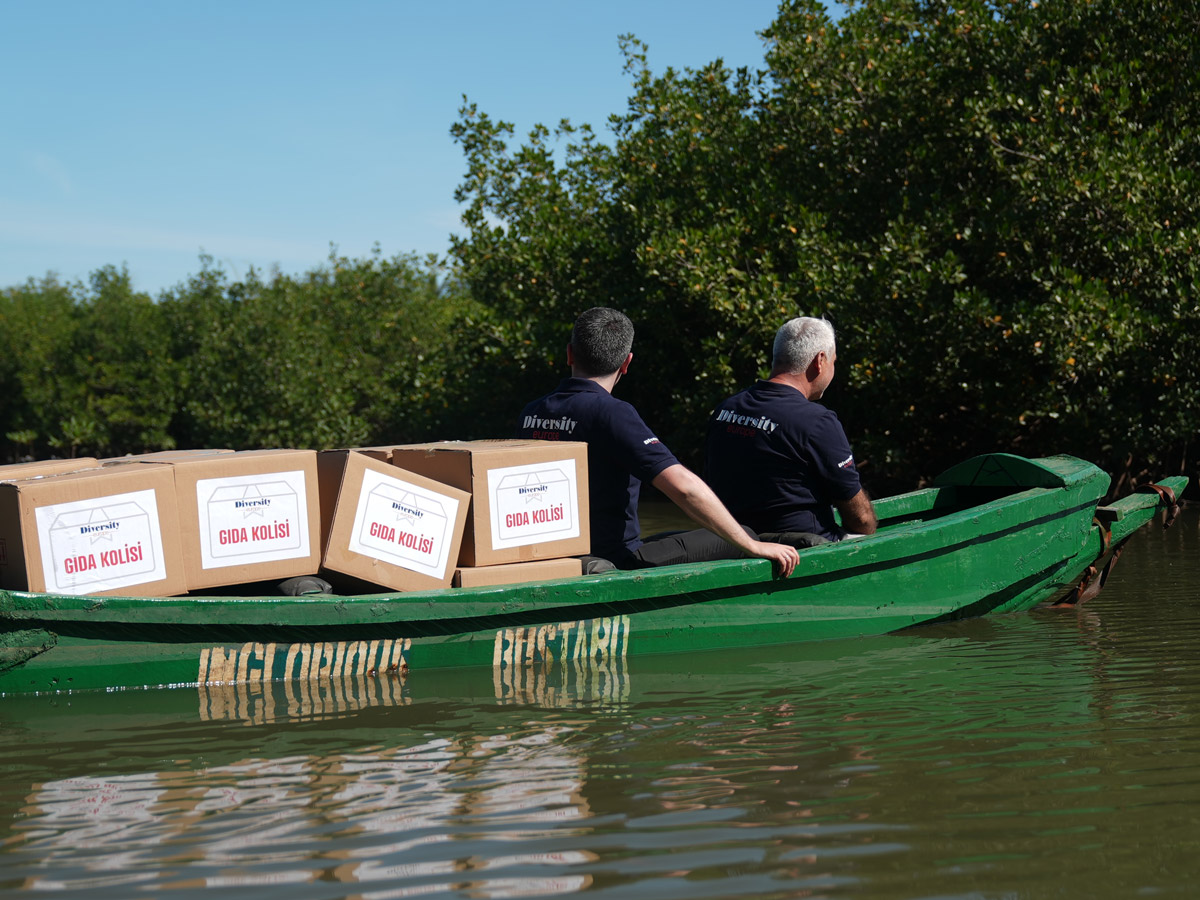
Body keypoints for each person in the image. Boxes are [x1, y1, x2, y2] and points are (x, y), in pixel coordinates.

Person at [517, 307, 799, 577]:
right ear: (627, 363)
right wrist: (753, 547)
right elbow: (684, 489)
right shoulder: (612, 413)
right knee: (744, 534)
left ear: (569, 354)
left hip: (557, 559)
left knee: (681, 536)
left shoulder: (531, 413)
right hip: (616, 560)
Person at [704, 316, 877, 542]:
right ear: (820, 360)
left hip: (732, 545)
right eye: (834, 362)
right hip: (802, 550)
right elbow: (861, 521)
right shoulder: (817, 422)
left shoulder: (726, 409)